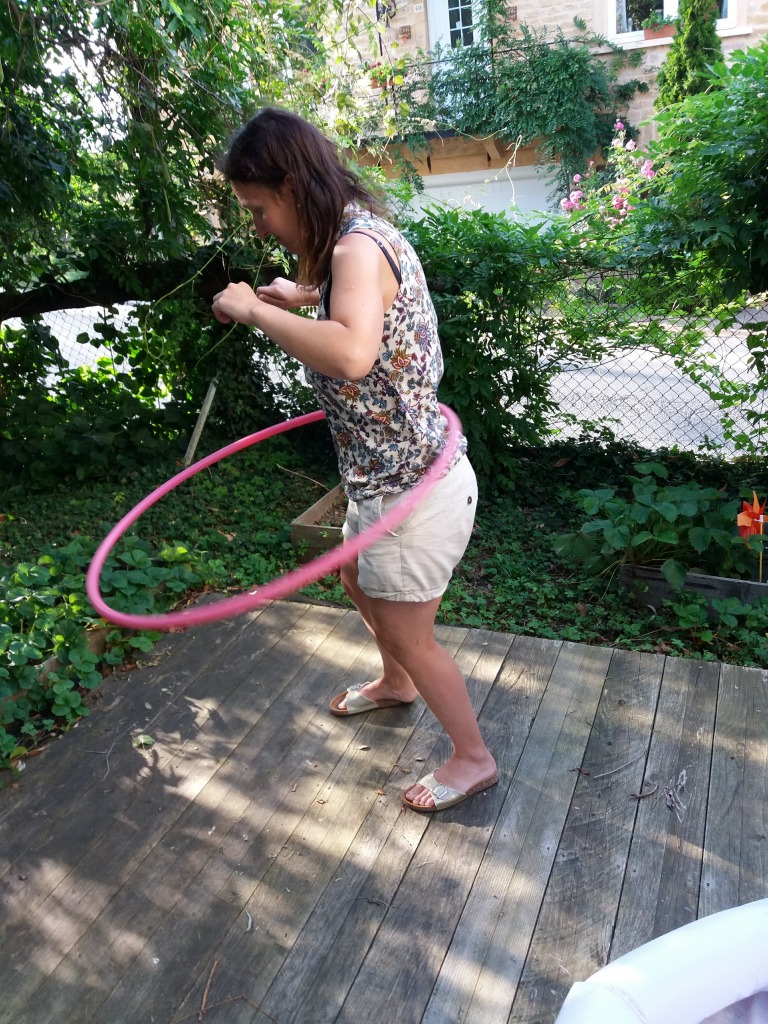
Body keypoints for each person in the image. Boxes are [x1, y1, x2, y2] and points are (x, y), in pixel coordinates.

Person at [211, 108, 496, 812]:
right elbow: (359, 303)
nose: (259, 227)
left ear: (291, 186)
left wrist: (257, 311)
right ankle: (396, 685)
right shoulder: (358, 236)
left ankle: (472, 757)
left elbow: (351, 352)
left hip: (411, 490)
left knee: (408, 630)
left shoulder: (354, 250)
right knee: (354, 578)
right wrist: (300, 295)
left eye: (259, 208)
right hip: (384, 481)